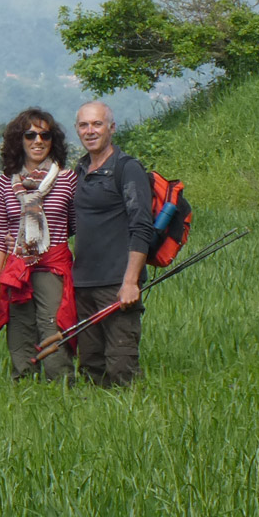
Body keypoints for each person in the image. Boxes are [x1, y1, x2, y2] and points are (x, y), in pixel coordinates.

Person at [0, 108, 80, 382]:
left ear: (53, 141)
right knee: (20, 335)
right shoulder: (6, 182)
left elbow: (75, 225)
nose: (37, 141)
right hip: (17, 271)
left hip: (53, 268)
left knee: (54, 329)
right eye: (30, 135)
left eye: (45, 135)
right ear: (20, 140)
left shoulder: (66, 179)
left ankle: (61, 387)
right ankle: (24, 390)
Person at [70, 101, 153, 387]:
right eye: (84, 125)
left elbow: (142, 226)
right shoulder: (79, 171)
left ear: (111, 128)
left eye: (97, 124)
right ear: (77, 130)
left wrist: (131, 281)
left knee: (121, 369)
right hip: (83, 285)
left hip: (117, 285)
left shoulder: (127, 169)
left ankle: (132, 424)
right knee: (91, 369)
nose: (90, 131)